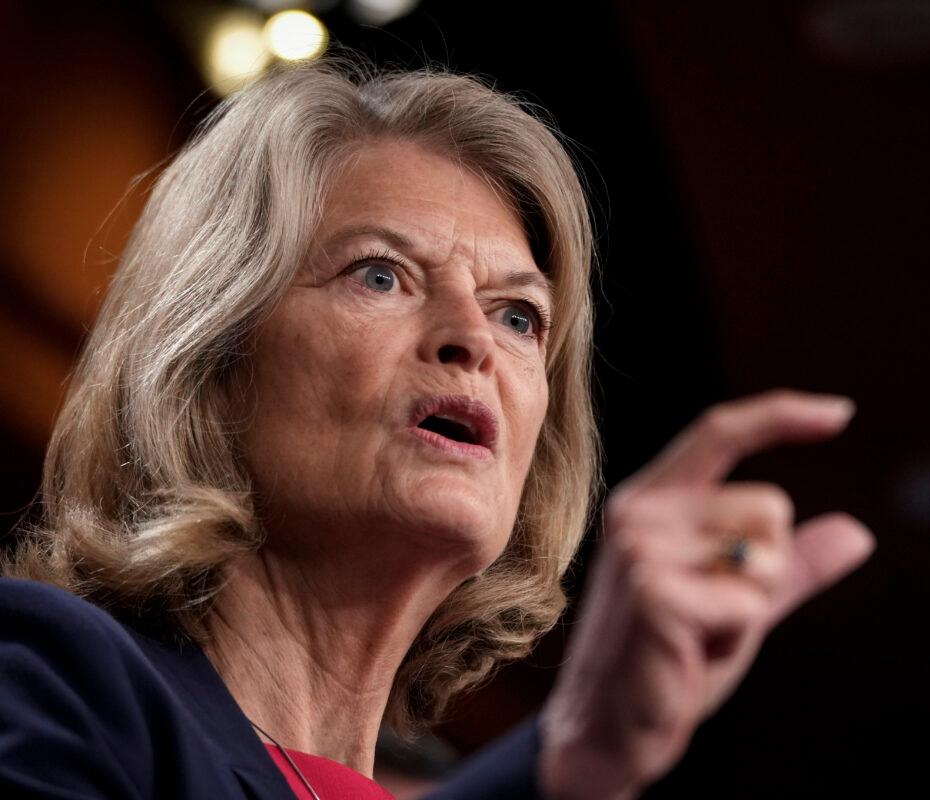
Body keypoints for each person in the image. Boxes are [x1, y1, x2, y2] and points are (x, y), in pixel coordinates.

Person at [0, 58, 874, 799]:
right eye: (380, 276)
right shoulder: (51, 677)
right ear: (213, 361)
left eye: (520, 317)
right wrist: (566, 760)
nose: (473, 340)